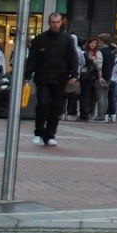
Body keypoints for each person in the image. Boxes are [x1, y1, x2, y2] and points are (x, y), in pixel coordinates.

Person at [27, 12, 77, 147]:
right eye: (53, 22)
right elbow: (32, 58)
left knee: (56, 107)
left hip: (60, 78)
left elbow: (73, 57)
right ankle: (38, 132)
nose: (55, 25)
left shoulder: (67, 39)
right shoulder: (40, 39)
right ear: (49, 23)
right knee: (43, 103)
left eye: (57, 22)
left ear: (61, 23)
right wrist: (27, 74)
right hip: (43, 78)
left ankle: (50, 135)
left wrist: (74, 75)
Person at [79, 38, 103, 122]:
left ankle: (90, 112)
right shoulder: (84, 53)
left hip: (94, 76)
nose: (93, 44)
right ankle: (84, 113)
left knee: (93, 96)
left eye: (95, 43)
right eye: (91, 43)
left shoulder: (98, 53)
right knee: (85, 95)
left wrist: (94, 61)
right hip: (86, 76)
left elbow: (100, 65)